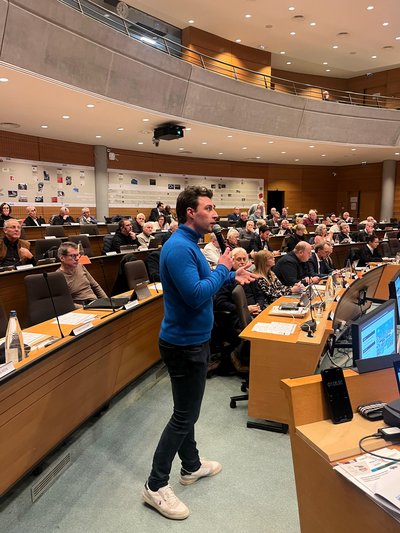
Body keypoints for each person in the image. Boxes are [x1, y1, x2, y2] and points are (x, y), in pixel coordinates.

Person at [143, 186, 255, 520]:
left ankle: (190, 465)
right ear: (190, 212)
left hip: (193, 340)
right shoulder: (180, 248)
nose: (215, 213)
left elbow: (205, 283)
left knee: (186, 411)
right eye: (209, 208)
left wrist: (230, 274)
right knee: (184, 416)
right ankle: (155, 484)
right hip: (183, 345)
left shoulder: (189, 244)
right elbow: (195, 295)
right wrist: (222, 268)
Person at [57, 242, 107, 306]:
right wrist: (85, 307)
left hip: (95, 303)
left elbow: (95, 286)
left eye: (78, 255)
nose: (77, 258)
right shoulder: (58, 276)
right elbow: (65, 302)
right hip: (81, 308)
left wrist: (107, 301)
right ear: (62, 258)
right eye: (73, 256)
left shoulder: (80, 266)